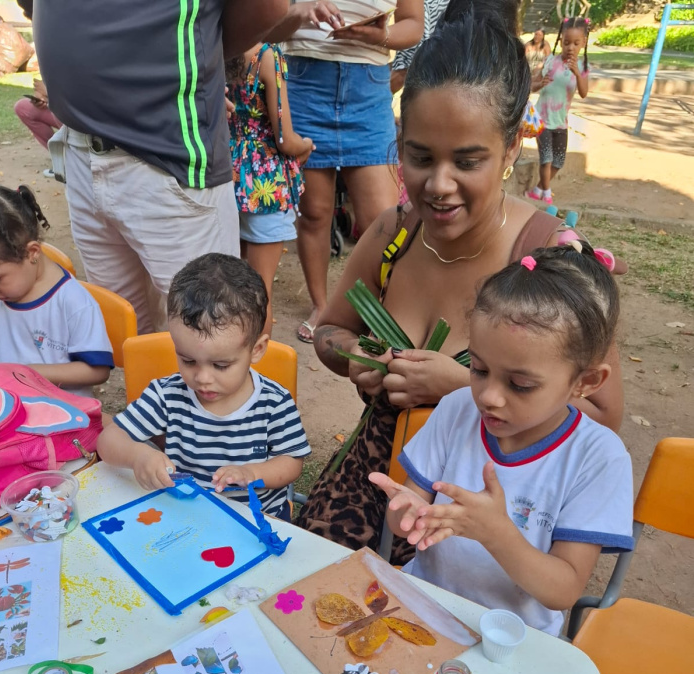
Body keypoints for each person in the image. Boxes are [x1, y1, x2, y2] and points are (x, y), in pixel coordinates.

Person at [297, 14, 624, 562]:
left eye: (467, 161)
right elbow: (329, 330)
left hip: (474, 518)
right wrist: (354, 352)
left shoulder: (551, 257)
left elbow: (600, 418)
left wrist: (462, 387)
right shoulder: (394, 232)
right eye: (419, 157)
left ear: (512, 146)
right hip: (368, 485)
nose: (438, 185)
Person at [370, 244, 633, 636]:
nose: (489, 397)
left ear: (585, 383)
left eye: (520, 384)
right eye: (478, 369)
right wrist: (407, 512)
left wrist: (498, 535)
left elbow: (563, 589)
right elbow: (410, 508)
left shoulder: (597, 457)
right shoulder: (458, 408)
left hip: (514, 638)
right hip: (426, 605)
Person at [33, 1, 290, 335]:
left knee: (208, 335)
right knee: (125, 335)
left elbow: (267, 6)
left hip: (169, 155)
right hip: (81, 150)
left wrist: (202, 61)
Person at [97, 254, 310, 520]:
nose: (202, 378)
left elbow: (292, 461)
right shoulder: (167, 395)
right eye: (188, 360)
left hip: (258, 518)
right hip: (188, 516)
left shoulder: (274, 402)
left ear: (256, 350)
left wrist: (254, 473)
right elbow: (108, 439)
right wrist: (138, 455)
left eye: (221, 365)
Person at [266, 0, 424, 343]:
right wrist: (297, 12)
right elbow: (267, 28)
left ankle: (382, 310)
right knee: (314, 213)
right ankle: (322, 306)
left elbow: (414, 25)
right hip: (303, 83)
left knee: (385, 221)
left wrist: (383, 35)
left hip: (368, 88)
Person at [226, 43, 313, 335]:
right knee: (259, 292)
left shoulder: (221, 46)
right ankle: (258, 371)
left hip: (229, 173)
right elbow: (285, 139)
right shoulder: (266, 56)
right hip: (265, 184)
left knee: (230, 285)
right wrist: (306, 145)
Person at [0, 184, 112, 395]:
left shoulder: (73, 303)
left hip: (62, 415)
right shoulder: (4, 289)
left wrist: (28, 372)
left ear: (32, 253)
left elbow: (97, 370)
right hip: (7, 406)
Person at [526, 16, 590, 206]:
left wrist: (577, 74)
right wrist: (539, 83)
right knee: (546, 159)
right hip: (543, 120)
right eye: (566, 42)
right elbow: (532, 84)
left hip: (561, 122)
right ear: (561, 40)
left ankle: (538, 189)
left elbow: (584, 93)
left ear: (583, 43)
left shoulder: (582, 68)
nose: (570, 47)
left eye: (576, 43)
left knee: (558, 162)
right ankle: (546, 193)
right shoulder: (550, 61)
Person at [13, 79, 62, 150]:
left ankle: (80, 153)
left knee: (62, 111)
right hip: (62, 107)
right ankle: (59, 153)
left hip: (80, 119)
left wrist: (51, 93)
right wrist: (43, 97)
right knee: (23, 107)